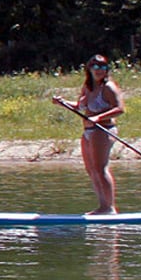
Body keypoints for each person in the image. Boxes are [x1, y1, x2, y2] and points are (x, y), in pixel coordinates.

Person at [54, 54, 126, 215]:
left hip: (103, 130)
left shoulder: (109, 87)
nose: (99, 70)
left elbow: (120, 109)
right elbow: (80, 106)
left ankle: (109, 208)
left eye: (102, 67)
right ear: (89, 69)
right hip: (88, 131)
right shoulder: (88, 87)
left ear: (106, 69)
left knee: (100, 169)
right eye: (95, 66)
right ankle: (102, 206)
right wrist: (63, 103)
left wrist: (98, 118)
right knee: (91, 170)